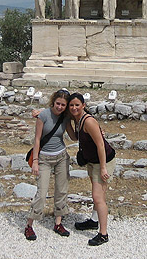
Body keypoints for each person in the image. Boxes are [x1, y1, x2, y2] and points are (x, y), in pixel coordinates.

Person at [24, 89, 76, 240]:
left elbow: (72, 136)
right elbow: (37, 139)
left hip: (61, 157)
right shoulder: (43, 115)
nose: (60, 107)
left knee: (62, 190)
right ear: (53, 102)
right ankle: (29, 225)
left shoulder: (66, 118)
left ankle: (58, 223)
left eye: (63, 105)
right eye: (58, 104)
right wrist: (35, 162)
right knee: (41, 193)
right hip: (44, 158)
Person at [68, 93, 116, 246]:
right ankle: (94, 221)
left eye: (77, 105)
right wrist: (66, 121)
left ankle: (103, 234)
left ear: (83, 105)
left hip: (102, 161)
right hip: (92, 161)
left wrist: (103, 168)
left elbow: (101, 144)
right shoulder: (77, 120)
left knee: (98, 197)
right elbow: (75, 138)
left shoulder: (88, 121)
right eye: (71, 105)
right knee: (98, 194)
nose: (74, 108)